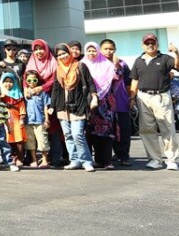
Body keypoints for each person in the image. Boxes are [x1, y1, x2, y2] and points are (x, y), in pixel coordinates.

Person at [129, 33, 179, 171]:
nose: (150, 45)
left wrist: (176, 52)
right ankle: (154, 159)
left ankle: (171, 160)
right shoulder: (138, 61)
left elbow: (178, 67)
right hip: (143, 97)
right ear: (143, 45)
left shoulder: (165, 58)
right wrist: (132, 98)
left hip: (161, 96)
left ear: (157, 44)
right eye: (147, 43)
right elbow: (134, 80)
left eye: (153, 43)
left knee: (167, 128)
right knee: (146, 129)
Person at [50, 42, 98, 172]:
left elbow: (90, 83)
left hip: (79, 104)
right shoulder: (58, 69)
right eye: (59, 54)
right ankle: (74, 160)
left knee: (77, 134)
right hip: (62, 106)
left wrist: (94, 97)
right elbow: (55, 89)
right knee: (68, 135)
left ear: (69, 53)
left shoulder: (80, 66)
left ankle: (86, 161)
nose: (62, 56)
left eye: (64, 53)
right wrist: (52, 105)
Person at [24, 39, 64, 167]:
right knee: (35, 134)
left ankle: (55, 158)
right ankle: (34, 159)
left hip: (51, 98)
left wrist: (41, 87)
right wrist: (26, 88)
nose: (38, 52)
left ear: (46, 49)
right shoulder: (31, 63)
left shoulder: (53, 63)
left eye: (41, 48)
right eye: (35, 49)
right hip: (34, 105)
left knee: (53, 129)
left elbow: (55, 80)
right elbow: (26, 78)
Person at [82, 42, 116, 170]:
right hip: (88, 102)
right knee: (91, 132)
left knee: (106, 132)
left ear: (98, 51)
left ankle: (107, 160)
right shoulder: (82, 64)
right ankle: (96, 160)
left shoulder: (107, 64)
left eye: (94, 51)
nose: (91, 53)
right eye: (89, 51)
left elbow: (111, 80)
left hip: (105, 102)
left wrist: (98, 95)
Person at [101, 39, 134, 166]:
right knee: (109, 131)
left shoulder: (122, 64)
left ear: (115, 49)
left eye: (111, 49)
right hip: (105, 104)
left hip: (121, 102)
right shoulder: (98, 64)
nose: (108, 51)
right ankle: (112, 154)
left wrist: (131, 99)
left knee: (124, 130)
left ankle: (124, 155)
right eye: (106, 49)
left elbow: (128, 83)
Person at [23, 69, 51, 168]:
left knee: (42, 140)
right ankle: (34, 160)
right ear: (26, 81)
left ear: (38, 81)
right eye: (29, 80)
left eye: (34, 80)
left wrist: (47, 119)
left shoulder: (42, 92)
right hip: (28, 120)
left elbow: (45, 106)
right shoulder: (24, 93)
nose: (32, 83)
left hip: (40, 120)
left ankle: (44, 160)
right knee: (30, 142)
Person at [0, 71, 27, 167]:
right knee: (6, 140)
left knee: (18, 140)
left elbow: (22, 107)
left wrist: (22, 119)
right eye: (5, 81)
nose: (8, 84)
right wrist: (0, 97)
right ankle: (8, 158)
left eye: (10, 81)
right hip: (4, 121)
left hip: (16, 121)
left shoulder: (18, 95)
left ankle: (19, 158)